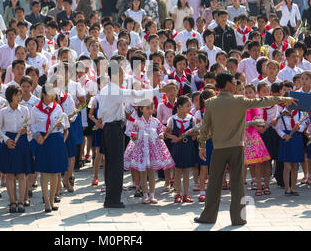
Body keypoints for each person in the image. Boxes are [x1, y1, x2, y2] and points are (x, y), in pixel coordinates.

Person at [194, 71, 297, 226]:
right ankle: (238, 218)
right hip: (237, 147)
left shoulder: (210, 103)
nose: (236, 84)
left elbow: (204, 128)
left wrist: (202, 145)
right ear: (227, 84)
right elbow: (264, 101)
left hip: (219, 148)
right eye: (234, 82)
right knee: (238, 185)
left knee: (214, 184)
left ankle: (208, 216)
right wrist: (284, 99)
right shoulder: (240, 101)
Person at [98, 61, 173, 208]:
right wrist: (159, 90)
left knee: (112, 163)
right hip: (113, 128)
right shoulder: (114, 90)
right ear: (114, 75)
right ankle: (113, 200)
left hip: (109, 127)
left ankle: (111, 198)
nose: (123, 77)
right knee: (115, 164)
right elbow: (135, 95)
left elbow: (102, 112)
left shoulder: (106, 89)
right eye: (120, 74)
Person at [124, 99, 174, 204]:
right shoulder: (137, 122)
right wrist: (134, 136)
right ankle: (145, 195)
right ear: (141, 109)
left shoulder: (155, 121)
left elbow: (161, 129)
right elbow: (132, 132)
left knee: (152, 172)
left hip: (153, 149)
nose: (150, 110)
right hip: (141, 149)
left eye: (151, 108)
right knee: (143, 173)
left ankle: (152, 195)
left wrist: (161, 134)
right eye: (147, 108)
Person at [31, 84, 69, 212]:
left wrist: (60, 124)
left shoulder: (57, 107)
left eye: (53, 94)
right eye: (49, 94)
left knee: (54, 172)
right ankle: (46, 201)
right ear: (43, 95)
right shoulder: (35, 109)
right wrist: (37, 136)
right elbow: (33, 126)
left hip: (55, 140)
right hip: (43, 140)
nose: (52, 96)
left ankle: (52, 200)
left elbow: (63, 124)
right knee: (45, 172)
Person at [0, 85, 33, 213]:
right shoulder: (3, 111)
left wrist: (26, 130)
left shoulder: (25, 110)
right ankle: (12, 201)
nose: (19, 97)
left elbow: (30, 127)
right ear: (9, 96)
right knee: (9, 174)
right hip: (9, 141)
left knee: (22, 173)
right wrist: (6, 140)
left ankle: (21, 201)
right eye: (16, 95)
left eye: (20, 95)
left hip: (22, 141)